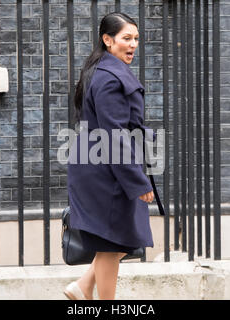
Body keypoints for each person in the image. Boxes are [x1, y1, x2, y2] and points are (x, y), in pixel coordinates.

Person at [64, 12, 155, 300]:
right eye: (126, 38)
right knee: (111, 242)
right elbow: (114, 137)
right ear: (107, 39)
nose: (133, 45)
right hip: (105, 172)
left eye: (136, 39)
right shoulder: (111, 79)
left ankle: (82, 286)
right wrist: (138, 182)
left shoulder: (105, 71)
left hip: (100, 167)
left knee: (118, 239)